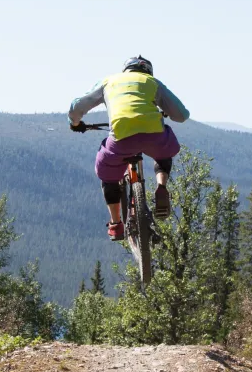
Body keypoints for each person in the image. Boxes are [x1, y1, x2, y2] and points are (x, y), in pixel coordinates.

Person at [68, 55, 190, 241]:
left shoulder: (109, 81)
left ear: (126, 70)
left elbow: (78, 105)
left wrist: (75, 123)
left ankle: (116, 224)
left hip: (121, 137)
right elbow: (181, 115)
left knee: (107, 174)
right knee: (164, 151)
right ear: (148, 71)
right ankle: (161, 186)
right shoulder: (152, 82)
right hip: (154, 136)